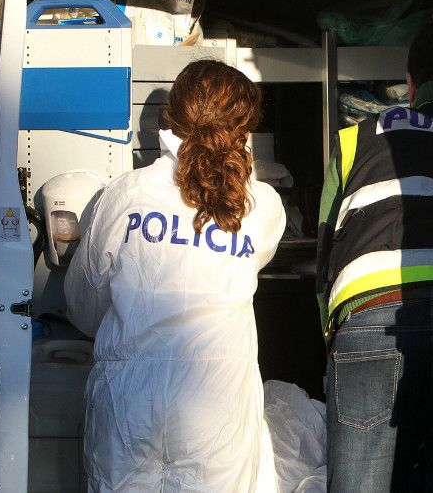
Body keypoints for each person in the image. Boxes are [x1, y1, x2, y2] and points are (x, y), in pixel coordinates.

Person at [66, 59, 286, 492]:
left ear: (172, 118)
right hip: (217, 406)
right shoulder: (262, 207)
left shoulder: (125, 194)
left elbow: (82, 307)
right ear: (245, 129)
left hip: (128, 401)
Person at [317, 21, 433, 491]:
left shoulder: (356, 140)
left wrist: (334, 344)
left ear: (411, 86)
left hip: (371, 319)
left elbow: (325, 262)